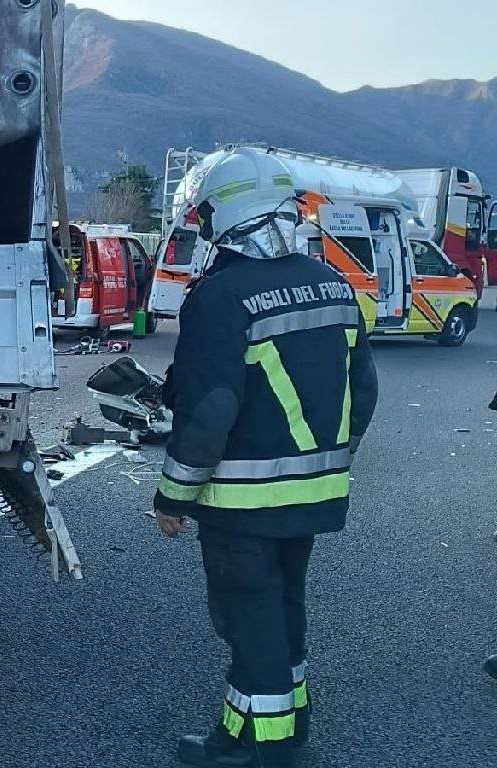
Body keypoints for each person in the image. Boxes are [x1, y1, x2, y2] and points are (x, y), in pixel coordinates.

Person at [153, 147, 379, 768]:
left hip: (242, 501)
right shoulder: (334, 285)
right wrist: (332, 459)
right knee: (281, 608)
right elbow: (363, 390)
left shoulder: (220, 297)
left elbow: (210, 412)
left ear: (223, 216)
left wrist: (172, 497)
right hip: (314, 494)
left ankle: (267, 750)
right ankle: (266, 728)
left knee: (247, 618)